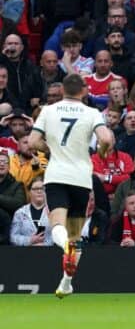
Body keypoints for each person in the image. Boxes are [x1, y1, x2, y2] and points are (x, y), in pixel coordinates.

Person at [28, 73, 114, 298]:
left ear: (64, 89)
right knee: (76, 233)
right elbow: (105, 138)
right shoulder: (92, 113)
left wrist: (50, 150)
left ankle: (64, 247)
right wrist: (102, 153)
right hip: (81, 177)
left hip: (56, 175)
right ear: (84, 91)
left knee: (56, 224)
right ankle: (66, 283)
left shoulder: (48, 110)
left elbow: (32, 142)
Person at [10, 177, 52, 246]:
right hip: (25, 254)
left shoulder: (53, 212)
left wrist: (45, 244)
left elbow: (57, 234)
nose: (39, 191)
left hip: (49, 253)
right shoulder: (20, 213)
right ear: (29, 192)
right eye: (35, 189)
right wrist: (30, 240)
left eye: (42, 188)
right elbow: (13, 237)